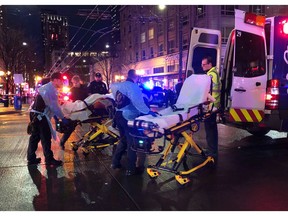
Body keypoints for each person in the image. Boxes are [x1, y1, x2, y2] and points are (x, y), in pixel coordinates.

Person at [110, 69, 157, 176]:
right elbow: (138, 102)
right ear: (135, 77)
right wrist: (148, 111)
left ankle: (115, 163)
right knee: (132, 143)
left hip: (118, 116)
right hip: (128, 117)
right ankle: (130, 169)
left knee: (123, 140)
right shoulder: (133, 87)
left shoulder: (117, 85)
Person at [27, 72, 70, 166]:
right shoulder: (50, 89)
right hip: (40, 116)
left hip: (35, 114)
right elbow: (54, 106)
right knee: (45, 137)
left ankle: (31, 158)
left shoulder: (47, 88)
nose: (62, 83)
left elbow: (50, 106)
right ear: (55, 80)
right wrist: (62, 117)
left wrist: (56, 115)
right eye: (60, 81)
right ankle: (49, 159)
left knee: (35, 136)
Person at [59, 75, 89, 150]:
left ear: (79, 81)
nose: (75, 84)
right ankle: (62, 142)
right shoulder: (72, 90)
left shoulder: (84, 88)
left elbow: (88, 98)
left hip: (83, 108)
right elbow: (69, 101)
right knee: (70, 127)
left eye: (76, 82)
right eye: (73, 83)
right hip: (76, 110)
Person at [201, 56, 221, 159]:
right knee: (211, 130)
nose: (202, 66)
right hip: (213, 106)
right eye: (202, 64)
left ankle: (212, 152)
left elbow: (207, 91)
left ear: (210, 64)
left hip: (211, 107)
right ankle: (211, 149)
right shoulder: (214, 74)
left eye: (204, 64)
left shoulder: (210, 75)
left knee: (210, 130)